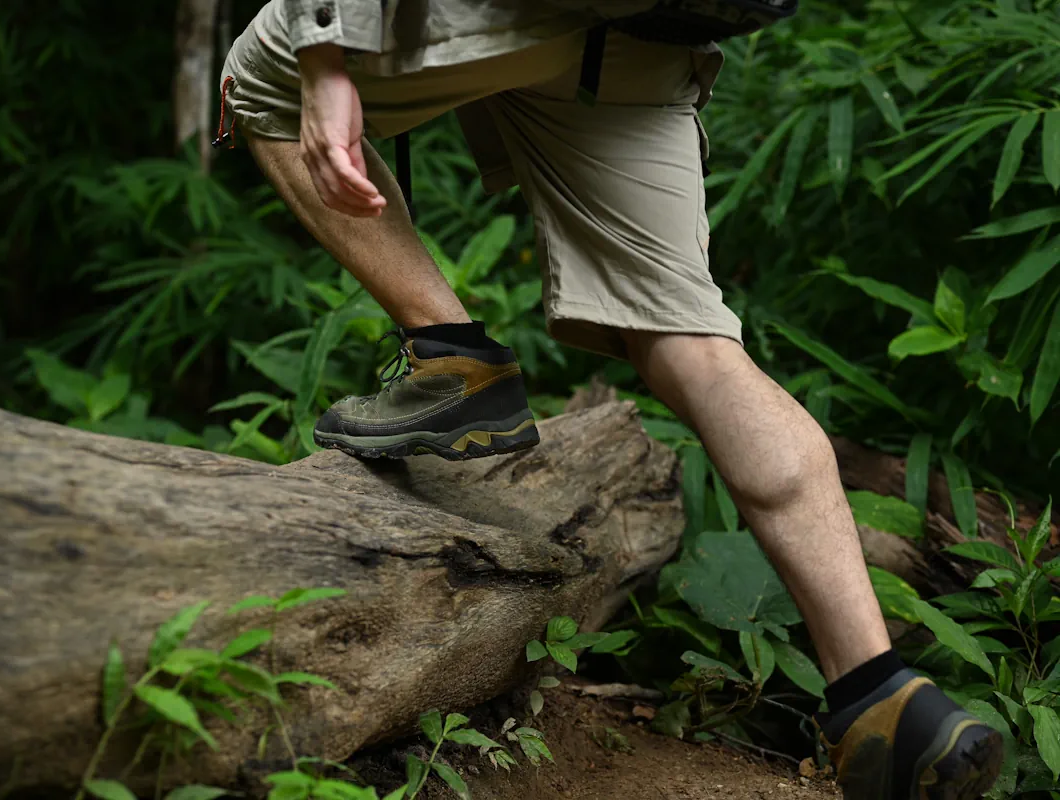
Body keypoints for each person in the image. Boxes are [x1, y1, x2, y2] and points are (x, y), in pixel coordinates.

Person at [218, 2, 1004, 797]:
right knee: (695, 349)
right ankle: (878, 692)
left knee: (266, 74)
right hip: (647, 40)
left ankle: (450, 355)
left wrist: (321, 57)